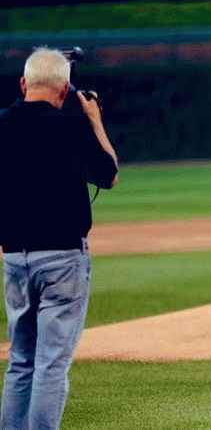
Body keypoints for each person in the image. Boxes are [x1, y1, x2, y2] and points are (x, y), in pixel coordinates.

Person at [0, 47, 119, 429]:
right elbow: (109, 174)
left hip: (14, 257)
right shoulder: (71, 127)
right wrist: (94, 119)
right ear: (65, 90)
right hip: (63, 260)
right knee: (51, 363)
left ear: (23, 83)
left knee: (20, 361)